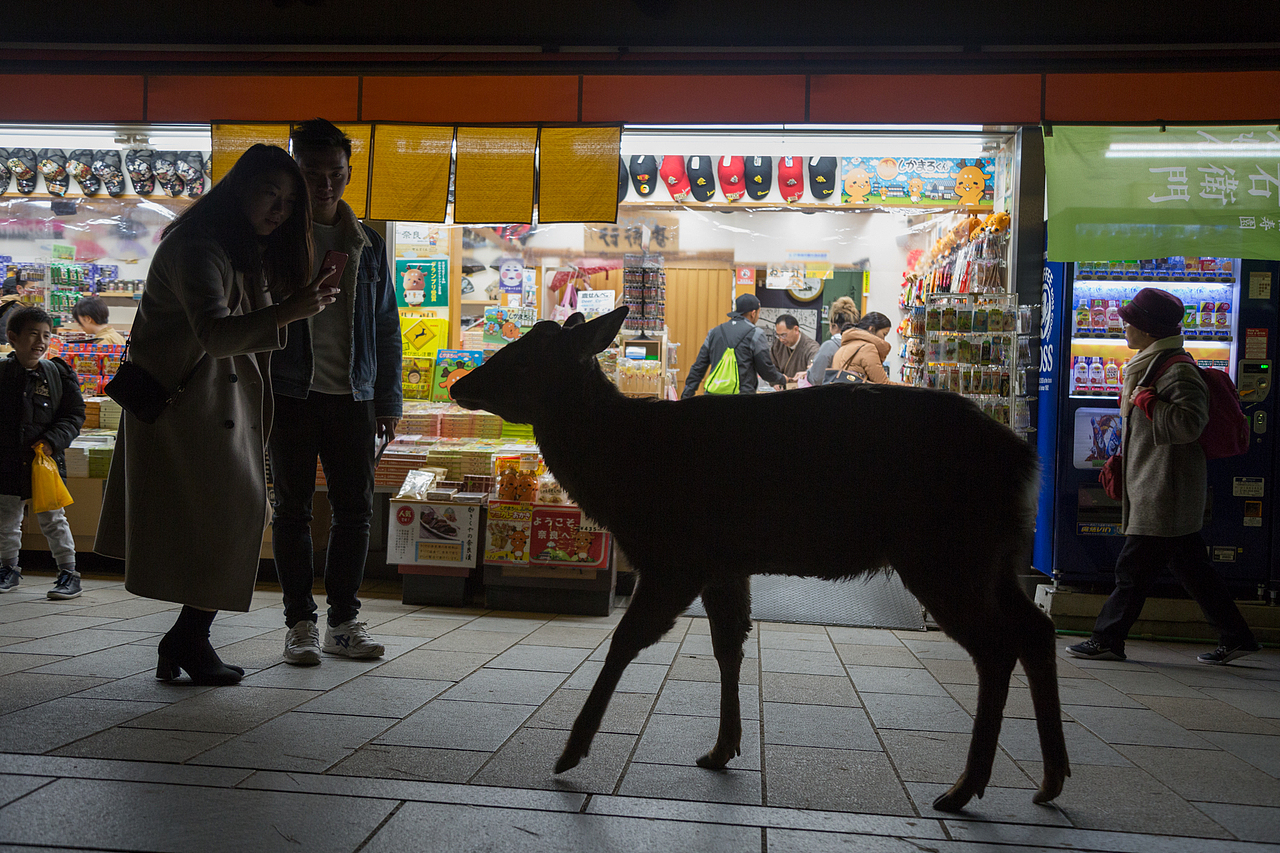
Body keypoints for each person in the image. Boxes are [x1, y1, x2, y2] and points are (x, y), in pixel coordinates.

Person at [95, 143, 338, 686]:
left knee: (230, 517)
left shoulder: (236, 246)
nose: (278, 209)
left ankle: (187, 637)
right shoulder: (198, 247)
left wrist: (294, 298)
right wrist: (290, 310)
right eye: (268, 193)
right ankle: (188, 637)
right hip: (186, 408)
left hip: (211, 403)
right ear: (238, 190)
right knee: (232, 513)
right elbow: (215, 332)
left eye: (287, 199)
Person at [269, 118, 403, 666]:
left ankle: (342, 622)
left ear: (349, 174)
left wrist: (388, 401)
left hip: (354, 395)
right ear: (296, 174)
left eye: (335, 173)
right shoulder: (276, 237)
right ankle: (299, 623)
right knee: (292, 511)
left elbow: (387, 327)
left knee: (356, 511)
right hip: (288, 395)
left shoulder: (366, 244)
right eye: (312, 172)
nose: (325, 183)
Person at [1067, 287, 1260, 666]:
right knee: (1193, 570)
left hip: (1165, 487)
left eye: (1131, 320)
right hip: (1157, 480)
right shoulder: (1153, 362)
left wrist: (1150, 402)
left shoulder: (1177, 370)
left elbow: (1190, 423)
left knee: (1132, 570)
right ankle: (1237, 636)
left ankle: (1107, 638)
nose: (1123, 325)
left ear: (1149, 329)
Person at [0, 305, 86, 599]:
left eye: (46, 335)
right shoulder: (2, 374)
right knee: (6, 519)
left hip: (44, 462)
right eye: (33, 334)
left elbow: (74, 415)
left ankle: (68, 573)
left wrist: (52, 441)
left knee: (53, 518)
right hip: (7, 462)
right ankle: (8, 569)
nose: (41, 341)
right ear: (12, 336)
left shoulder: (58, 374)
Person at [681, 293, 787, 398]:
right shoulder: (756, 334)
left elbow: (699, 367)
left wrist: (686, 395)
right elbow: (766, 371)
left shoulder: (714, 332)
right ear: (753, 313)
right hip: (742, 398)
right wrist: (782, 379)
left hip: (714, 397)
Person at [827, 311, 894, 384]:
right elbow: (882, 384)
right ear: (871, 329)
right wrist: (907, 388)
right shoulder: (867, 349)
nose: (884, 340)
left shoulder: (842, 348)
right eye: (884, 334)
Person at [806, 296, 860, 387]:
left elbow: (816, 378)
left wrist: (810, 370)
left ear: (833, 325)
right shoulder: (860, 345)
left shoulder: (830, 346)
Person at [770, 313, 820, 385]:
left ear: (796, 329)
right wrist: (775, 382)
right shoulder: (778, 345)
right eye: (778, 335)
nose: (781, 339)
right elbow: (772, 367)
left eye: (783, 335)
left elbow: (814, 370)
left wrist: (806, 373)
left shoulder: (811, 347)